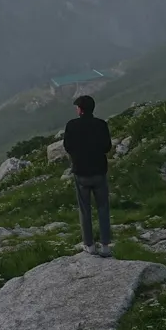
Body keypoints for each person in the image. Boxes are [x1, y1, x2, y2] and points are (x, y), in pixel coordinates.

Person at [63, 93, 114, 257]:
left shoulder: (71, 125)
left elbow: (67, 146)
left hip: (81, 173)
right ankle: (106, 246)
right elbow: (107, 147)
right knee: (103, 208)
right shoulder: (101, 124)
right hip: (99, 172)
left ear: (80, 110)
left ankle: (89, 245)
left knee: (85, 210)